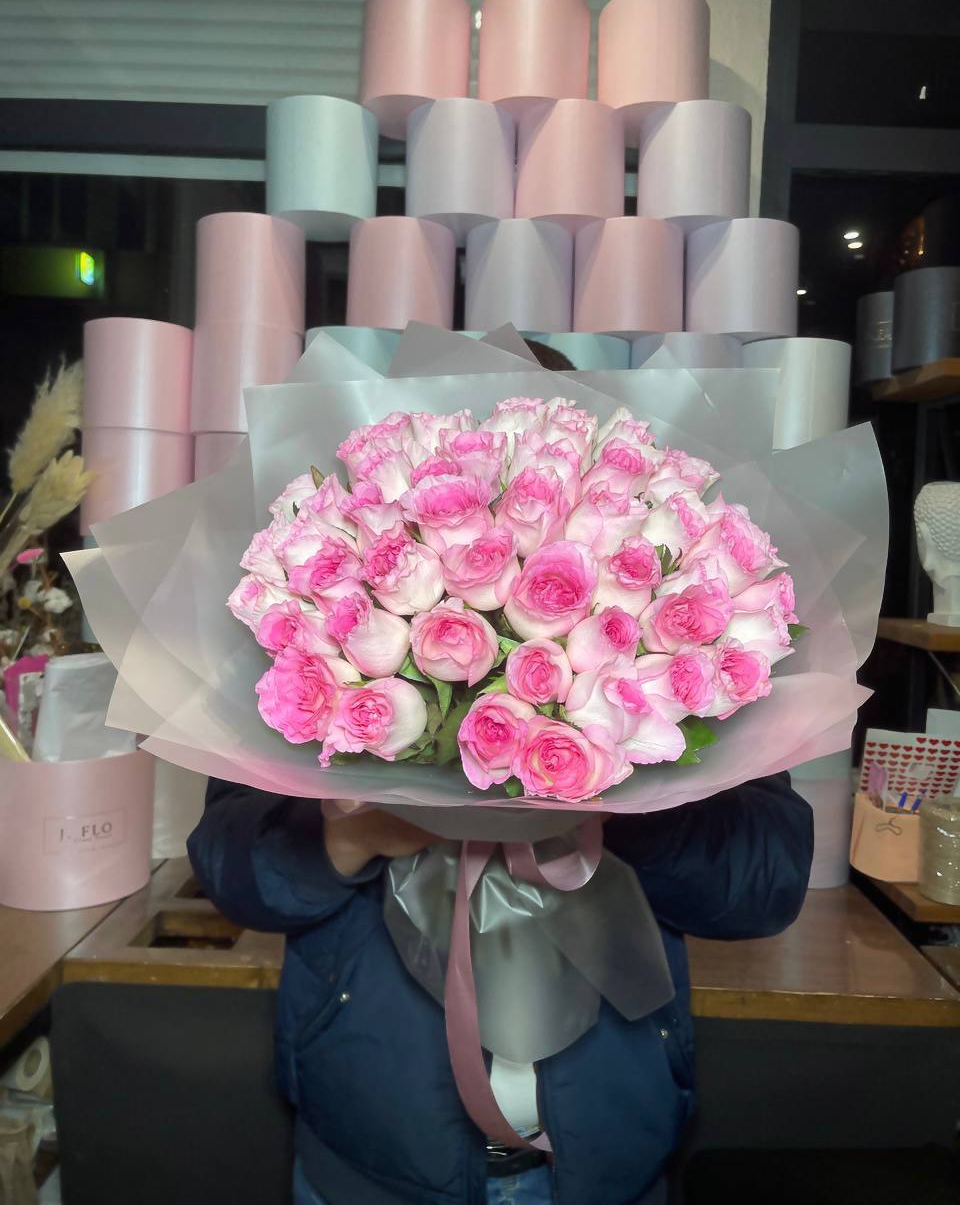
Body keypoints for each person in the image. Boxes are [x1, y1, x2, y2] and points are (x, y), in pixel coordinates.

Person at [187, 344, 814, 1204]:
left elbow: (763, 887)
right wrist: (350, 837)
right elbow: (231, 869)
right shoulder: (312, 645)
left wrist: (621, 779)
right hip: (368, 1162)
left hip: (606, 1163)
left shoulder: (687, 674)